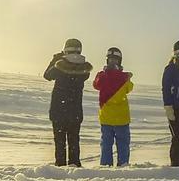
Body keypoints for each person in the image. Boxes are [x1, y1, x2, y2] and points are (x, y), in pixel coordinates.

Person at [43, 39, 93, 167]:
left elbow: (47, 75)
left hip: (58, 110)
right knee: (74, 140)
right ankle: (74, 165)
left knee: (60, 142)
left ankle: (60, 166)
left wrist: (56, 59)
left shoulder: (59, 66)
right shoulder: (83, 69)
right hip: (75, 111)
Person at [93, 47, 134, 166]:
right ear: (119, 61)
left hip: (106, 117)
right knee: (123, 144)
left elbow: (96, 85)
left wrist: (105, 73)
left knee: (106, 144)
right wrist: (125, 75)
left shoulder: (102, 76)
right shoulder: (124, 78)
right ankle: (123, 164)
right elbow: (129, 88)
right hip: (122, 118)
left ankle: (105, 165)